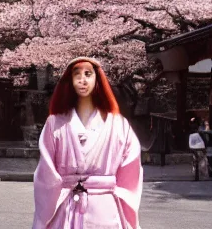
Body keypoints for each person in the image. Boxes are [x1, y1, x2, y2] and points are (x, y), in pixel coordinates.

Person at [32, 56, 142, 229]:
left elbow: (131, 172)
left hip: (105, 209)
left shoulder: (119, 125)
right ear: (70, 81)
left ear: (97, 80)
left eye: (88, 74)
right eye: (77, 75)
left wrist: (118, 195)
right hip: (67, 208)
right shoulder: (54, 124)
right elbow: (46, 175)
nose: (83, 80)